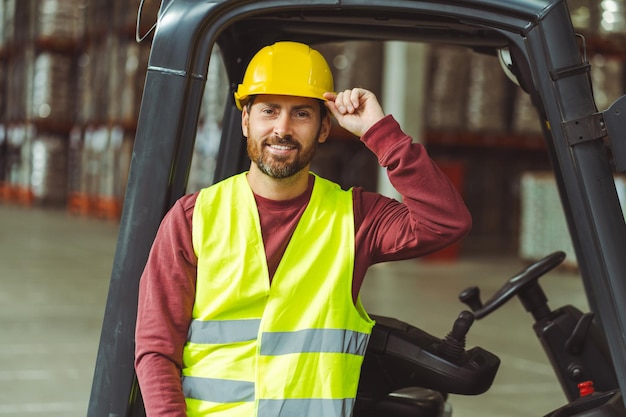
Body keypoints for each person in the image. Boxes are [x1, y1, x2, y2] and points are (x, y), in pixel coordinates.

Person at [134, 41, 471, 417]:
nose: (282, 128)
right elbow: (157, 348)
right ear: (246, 120)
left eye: (301, 114)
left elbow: (446, 221)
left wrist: (379, 132)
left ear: (325, 127)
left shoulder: (355, 217)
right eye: (269, 111)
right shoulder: (193, 217)